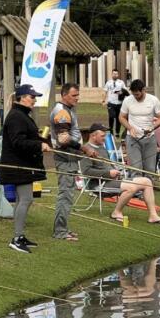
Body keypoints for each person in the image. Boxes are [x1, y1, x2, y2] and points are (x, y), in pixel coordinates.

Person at [80, 123, 160, 224]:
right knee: (131, 187)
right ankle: (116, 212)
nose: (105, 138)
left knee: (147, 181)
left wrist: (117, 170)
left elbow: (108, 165)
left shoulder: (102, 147)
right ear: (93, 135)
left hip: (112, 180)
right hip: (99, 184)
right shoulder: (86, 150)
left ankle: (153, 215)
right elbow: (86, 172)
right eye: (102, 136)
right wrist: (108, 173)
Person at [0, 85, 51, 254]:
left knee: (24, 199)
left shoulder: (22, 115)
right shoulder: (16, 116)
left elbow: (30, 137)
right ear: (22, 97)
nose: (35, 99)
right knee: (26, 199)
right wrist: (39, 145)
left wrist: (45, 142)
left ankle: (19, 236)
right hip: (17, 165)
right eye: (32, 96)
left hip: (23, 165)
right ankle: (16, 238)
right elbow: (17, 141)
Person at [51, 83, 95, 242]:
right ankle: (60, 231)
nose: (77, 98)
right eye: (74, 95)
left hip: (70, 158)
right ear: (64, 95)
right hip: (65, 158)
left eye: (78, 95)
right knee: (65, 195)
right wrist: (84, 148)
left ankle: (63, 228)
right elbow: (63, 139)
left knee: (68, 194)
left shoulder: (67, 110)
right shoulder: (62, 112)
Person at [119, 79, 160, 176]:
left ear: (143, 90)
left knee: (150, 169)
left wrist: (152, 127)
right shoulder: (127, 100)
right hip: (133, 139)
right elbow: (121, 117)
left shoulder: (153, 100)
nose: (135, 97)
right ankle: (137, 190)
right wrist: (130, 128)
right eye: (133, 94)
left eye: (137, 94)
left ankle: (148, 188)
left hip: (149, 139)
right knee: (136, 168)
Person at [102, 69, 127, 137]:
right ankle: (111, 131)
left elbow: (125, 91)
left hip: (119, 103)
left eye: (116, 74)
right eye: (114, 74)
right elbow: (105, 91)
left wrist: (121, 92)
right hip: (111, 103)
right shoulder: (108, 82)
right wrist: (104, 100)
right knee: (111, 116)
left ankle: (117, 132)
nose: (115, 75)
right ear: (112, 74)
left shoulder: (121, 82)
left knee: (119, 118)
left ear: (118, 75)